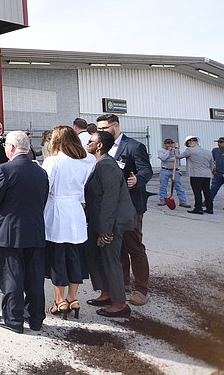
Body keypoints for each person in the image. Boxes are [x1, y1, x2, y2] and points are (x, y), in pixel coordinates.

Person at [0, 131, 49, 334]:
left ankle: (13, 319)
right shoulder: (41, 172)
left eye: (5, 147)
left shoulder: (4, 170)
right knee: (34, 277)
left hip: (9, 232)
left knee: (11, 276)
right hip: (35, 230)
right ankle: (36, 318)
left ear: (11, 148)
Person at [96, 114, 152, 306]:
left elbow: (147, 169)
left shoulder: (134, 146)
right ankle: (122, 283)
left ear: (116, 126)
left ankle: (142, 289)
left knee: (134, 246)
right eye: (99, 129)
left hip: (131, 205)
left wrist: (138, 180)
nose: (101, 132)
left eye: (105, 128)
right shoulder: (103, 148)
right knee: (117, 247)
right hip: (111, 206)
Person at [41, 126, 95, 320]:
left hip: (57, 210)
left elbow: (45, 187)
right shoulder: (86, 161)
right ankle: (73, 298)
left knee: (57, 256)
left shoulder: (53, 161)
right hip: (76, 210)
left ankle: (60, 300)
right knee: (75, 256)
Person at [84, 130, 137, 318]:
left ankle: (119, 304)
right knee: (98, 257)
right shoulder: (101, 163)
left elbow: (110, 199)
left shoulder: (106, 165)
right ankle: (106, 293)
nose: (87, 143)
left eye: (90, 141)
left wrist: (105, 230)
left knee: (110, 260)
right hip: (100, 220)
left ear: (99, 145)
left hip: (111, 223)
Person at [177, 136, 216, 215]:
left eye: (188, 143)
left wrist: (176, 149)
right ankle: (210, 208)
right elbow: (212, 165)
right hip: (207, 174)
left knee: (197, 192)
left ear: (190, 142)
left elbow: (178, 157)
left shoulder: (190, 150)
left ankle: (198, 208)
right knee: (207, 191)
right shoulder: (208, 151)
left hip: (196, 174)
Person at [156, 139, 189, 207]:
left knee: (178, 186)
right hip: (165, 170)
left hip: (175, 170)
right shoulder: (161, 151)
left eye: (171, 143)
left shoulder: (175, 150)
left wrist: (176, 149)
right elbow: (163, 158)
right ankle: (163, 200)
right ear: (165, 144)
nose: (170, 144)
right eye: (168, 143)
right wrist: (168, 151)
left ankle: (183, 201)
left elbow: (177, 158)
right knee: (163, 186)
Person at [211, 137, 224, 210]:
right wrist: (213, 170)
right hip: (217, 173)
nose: (219, 144)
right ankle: (208, 201)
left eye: (221, 142)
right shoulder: (215, 151)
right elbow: (211, 161)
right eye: (218, 142)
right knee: (213, 188)